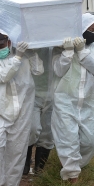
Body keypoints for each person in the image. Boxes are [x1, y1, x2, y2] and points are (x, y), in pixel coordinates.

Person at [0, 29, 44, 186]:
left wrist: (32, 54)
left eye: (2, 45)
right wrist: (18, 57)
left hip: (23, 110)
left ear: (9, 42)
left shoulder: (23, 55)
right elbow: (3, 76)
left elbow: (39, 71)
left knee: (17, 148)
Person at [51, 13, 94, 183]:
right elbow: (58, 71)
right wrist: (67, 53)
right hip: (65, 100)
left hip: (88, 102)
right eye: (90, 29)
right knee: (69, 139)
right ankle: (72, 176)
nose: (93, 34)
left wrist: (82, 51)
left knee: (92, 142)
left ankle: (73, 164)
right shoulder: (61, 48)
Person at [23, 47, 55, 176]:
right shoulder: (30, 42)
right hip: (32, 93)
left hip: (53, 93)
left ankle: (39, 168)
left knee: (48, 132)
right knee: (32, 128)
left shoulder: (57, 40)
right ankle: (25, 163)